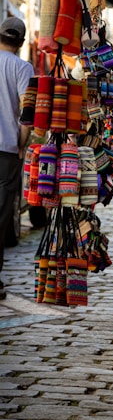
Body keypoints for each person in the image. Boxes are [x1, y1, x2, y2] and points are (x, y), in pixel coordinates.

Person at [0, 17, 34, 300]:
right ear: (21, 43)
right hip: (7, 150)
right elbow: (28, 114)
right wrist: (23, 145)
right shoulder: (22, 67)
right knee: (0, 217)